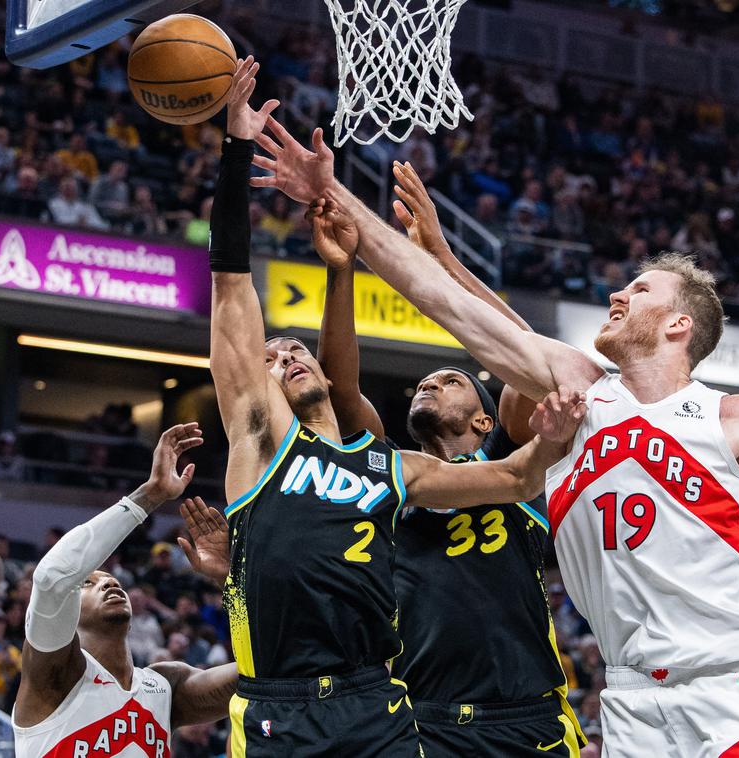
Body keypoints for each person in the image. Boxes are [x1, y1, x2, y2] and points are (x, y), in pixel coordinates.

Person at [252, 120, 739, 755]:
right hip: (629, 697)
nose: (618, 297)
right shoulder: (578, 391)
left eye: (638, 290)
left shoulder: (736, 417)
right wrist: (332, 192)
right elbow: (447, 302)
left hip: (732, 689)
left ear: (678, 326)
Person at [207, 58, 566, 757]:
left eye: (296, 350)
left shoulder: (391, 467)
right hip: (309, 706)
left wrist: (554, 439)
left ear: (486, 418)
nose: (289, 358)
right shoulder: (265, 440)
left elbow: (521, 470)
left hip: (405, 707)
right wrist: (234, 151)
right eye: (274, 357)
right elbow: (232, 293)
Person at [306, 162, 583, 755]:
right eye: (427, 382)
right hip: (421, 717)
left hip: (527, 714)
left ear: (485, 420)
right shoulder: (390, 469)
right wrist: (341, 272)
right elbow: (341, 391)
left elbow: (532, 359)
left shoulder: (516, 456)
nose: (430, 383)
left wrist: (444, 259)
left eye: (451, 378)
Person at [12, 424, 239, 756]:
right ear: (67, 612)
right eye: (88, 583)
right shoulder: (55, 672)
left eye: (112, 580)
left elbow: (265, 668)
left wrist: (231, 582)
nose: (107, 582)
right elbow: (53, 577)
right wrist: (152, 494)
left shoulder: (164, 686)